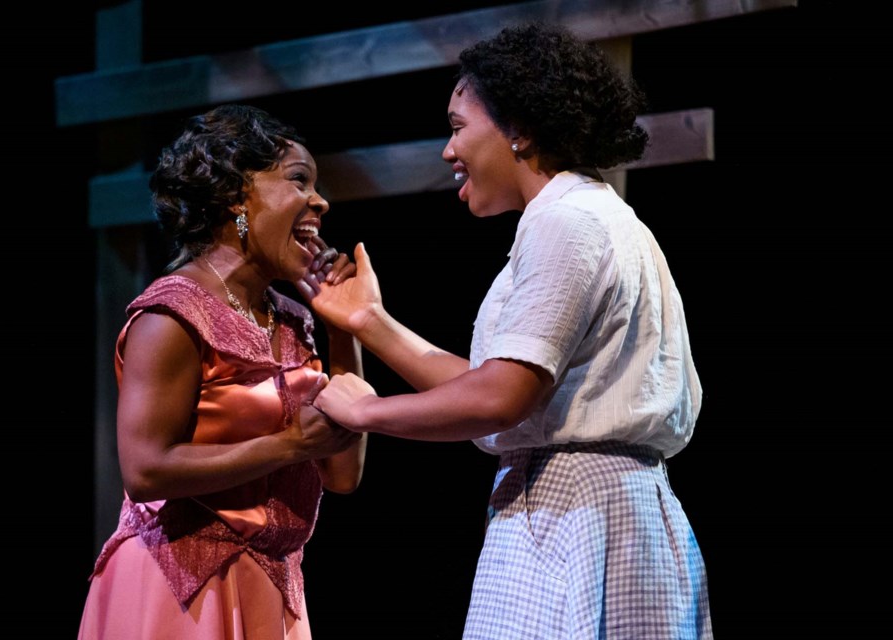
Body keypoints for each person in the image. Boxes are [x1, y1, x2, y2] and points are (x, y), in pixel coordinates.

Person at [311, 23, 712, 639]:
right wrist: (370, 321)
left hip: (576, 515)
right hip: (593, 505)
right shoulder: (583, 216)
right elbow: (490, 383)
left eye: (457, 126)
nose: (448, 150)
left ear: (519, 130)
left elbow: (498, 399)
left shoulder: (566, 224)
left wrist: (367, 413)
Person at [77, 104, 367, 640]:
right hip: (177, 587)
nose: (320, 201)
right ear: (236, 195)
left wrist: (345, 328)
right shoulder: (172, 313)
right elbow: (144, 470)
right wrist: (289, 447)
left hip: (272, 584)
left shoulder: (295, 320)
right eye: (298, 180)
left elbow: (343, 476)